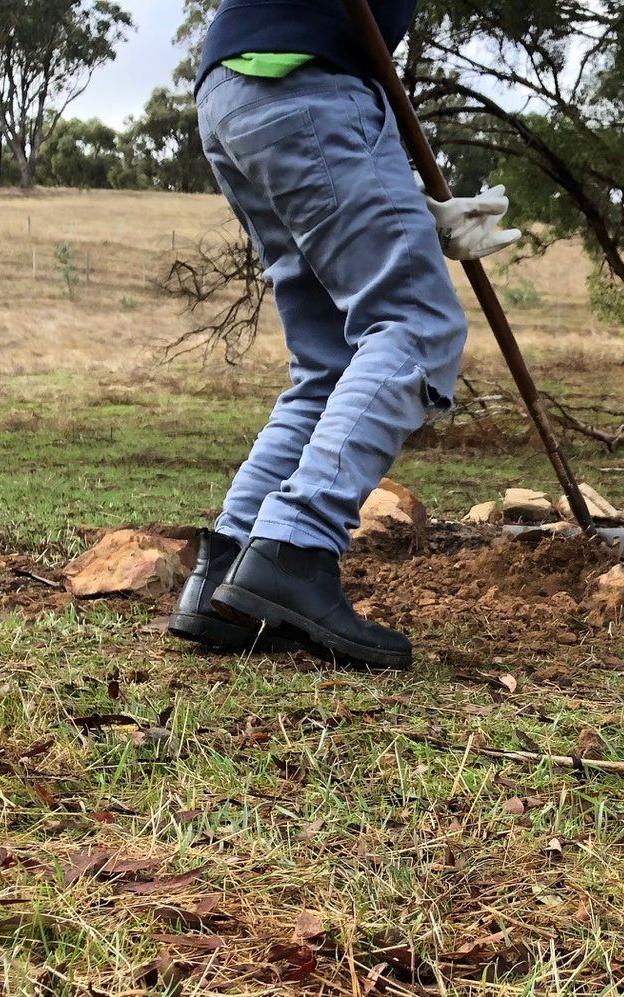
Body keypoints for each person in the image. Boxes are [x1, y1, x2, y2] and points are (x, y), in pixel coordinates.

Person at [168, 0, 518, 670]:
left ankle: (228, 573)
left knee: (329, 363)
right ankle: (293, 552)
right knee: (416, 325)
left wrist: (406, 207)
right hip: (304, 80)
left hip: (237, 90)